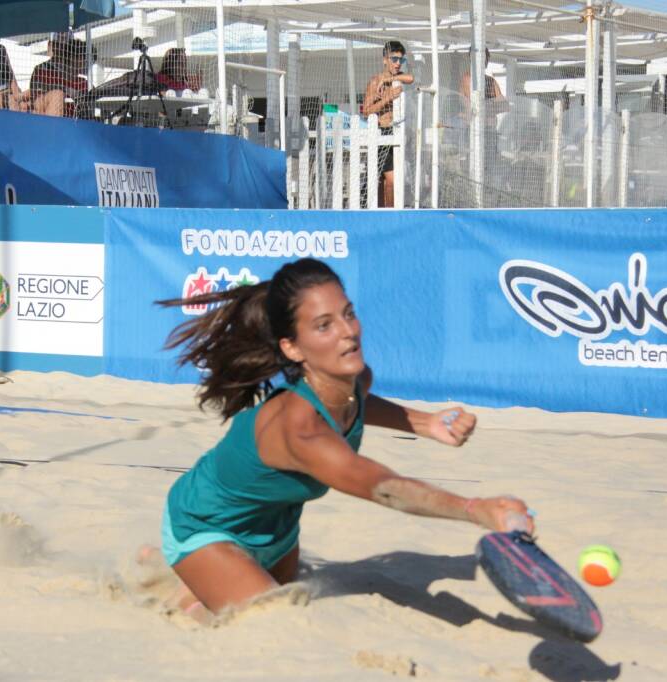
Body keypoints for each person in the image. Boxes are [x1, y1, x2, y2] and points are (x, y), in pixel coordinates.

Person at [151, 258, 534, 619]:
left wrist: (426, 423)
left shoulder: (356, 378)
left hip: (277, 526)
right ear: (292, 347)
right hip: (207, 525)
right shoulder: (298, 428)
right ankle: (187, 587)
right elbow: (384, 489)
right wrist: (475, 509)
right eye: (324, 325)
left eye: (348, 314)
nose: (348, 331)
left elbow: (359, 401)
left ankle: (198, 594)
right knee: (272, 626)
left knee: (265, 609)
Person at [362, 41, 414, 208]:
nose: (398, 63)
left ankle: (387, 211)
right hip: (380, 132)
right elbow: (366, 110)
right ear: (385, 59)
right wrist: (387, 98)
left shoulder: (397, 78)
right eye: (394, 59)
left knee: (390, 180)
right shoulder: (374, 81)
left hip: (396, 133)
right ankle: (383, 212)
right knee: (384, 180)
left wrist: (391, 79)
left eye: (401, 60)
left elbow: (411, 78)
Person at [459, 48, 510, 177]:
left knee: (490, 167)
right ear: (472, 59)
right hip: (473, 131)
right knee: (474, 165)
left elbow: (504, 105)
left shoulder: (491, 81)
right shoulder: (468, 79)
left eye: (486, 58)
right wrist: (490, 106)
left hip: (489, 132)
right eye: (480, 58)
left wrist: (487, 107)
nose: (484, 62)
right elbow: (473, 108)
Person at [30, 33, 88, 118]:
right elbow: (36, 96)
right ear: (51, 45)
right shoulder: (41, 69)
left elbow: (86, 104)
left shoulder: (81, 81)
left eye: (65, 45)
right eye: (58, 44)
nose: (61, 48)